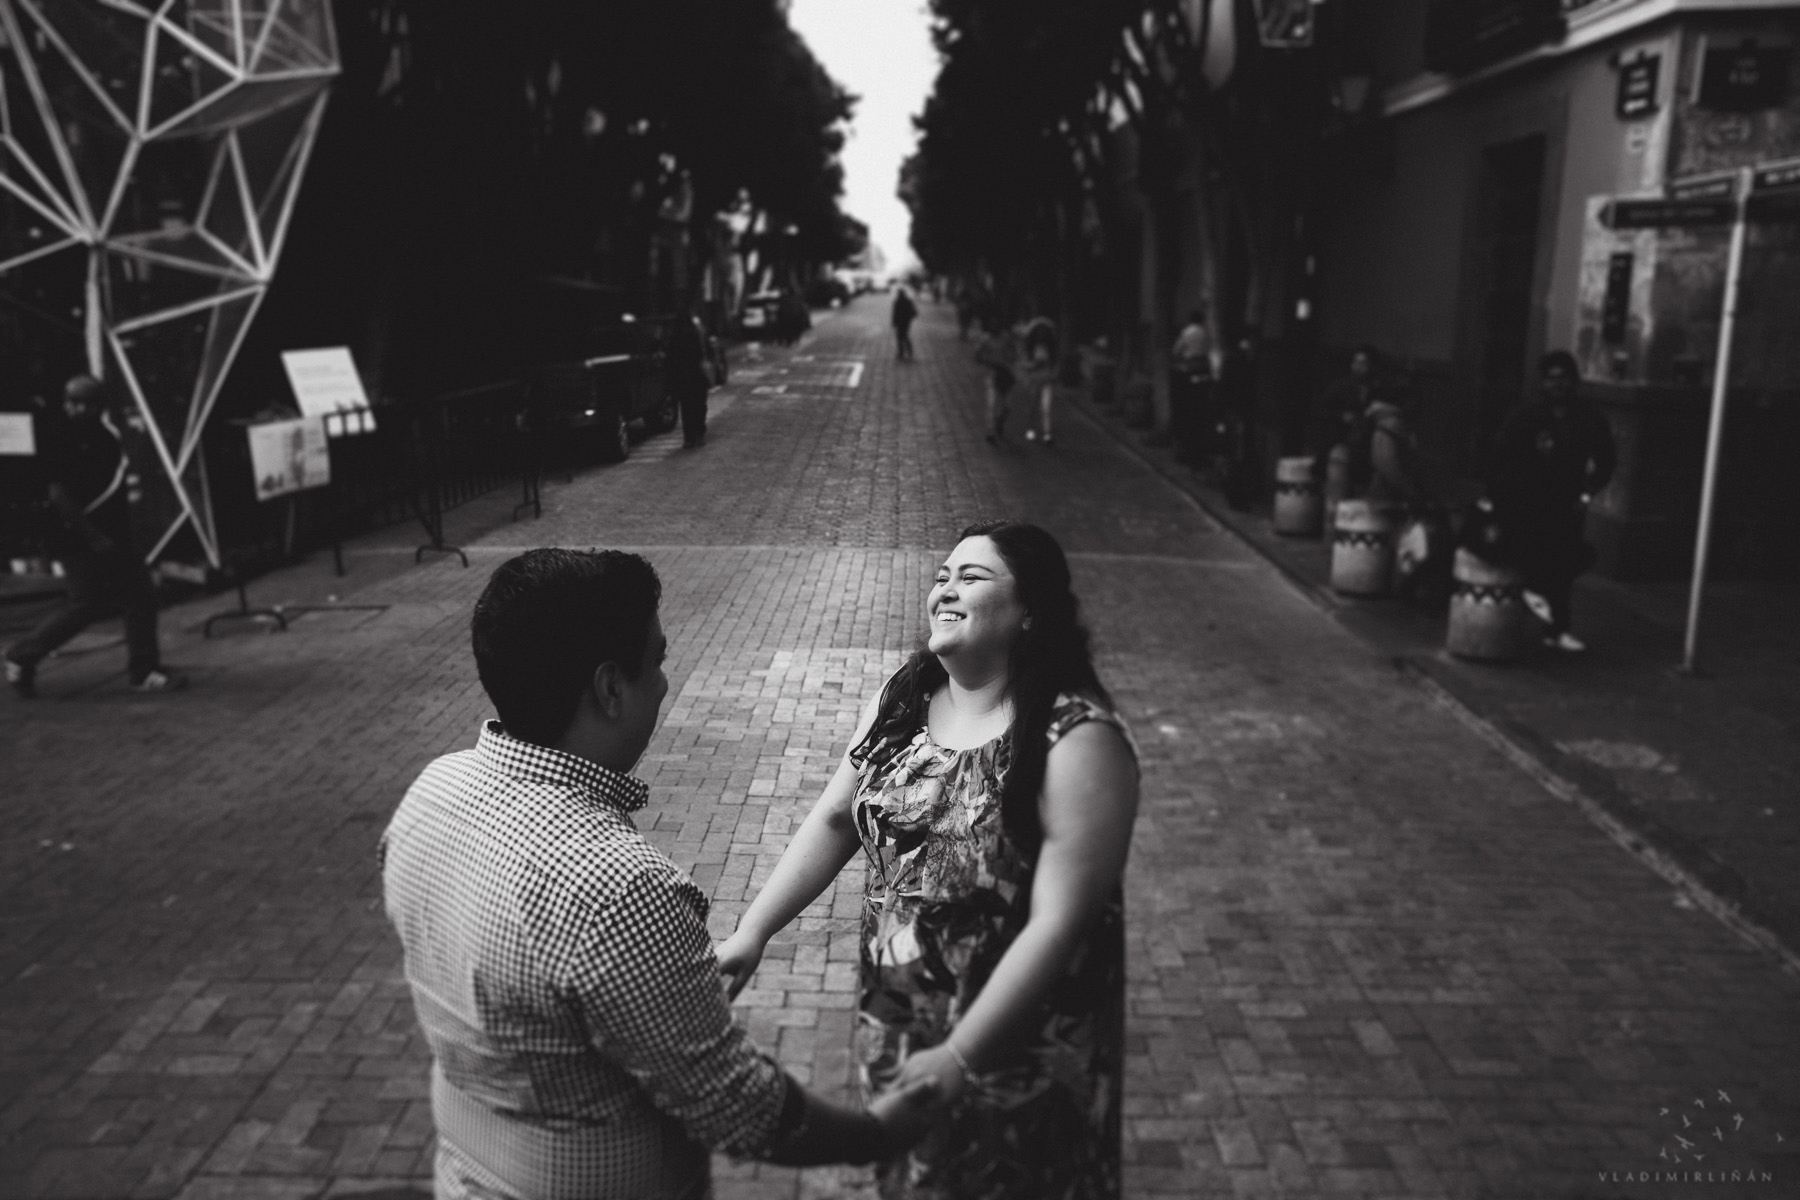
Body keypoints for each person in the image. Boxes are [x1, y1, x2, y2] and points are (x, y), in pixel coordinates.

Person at [380, 549, 941, 1200]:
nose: (667, 683)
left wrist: (659, 998)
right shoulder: (620, 886)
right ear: (610, 688)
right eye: (659, 661)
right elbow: (738, 1106)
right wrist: (876, 1132)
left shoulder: (431, 791)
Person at [717, 520, 1141, 1199]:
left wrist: (962, 1055)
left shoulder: (1075, 738)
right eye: (941, 575)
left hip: (1017, 1058)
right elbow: (834, 819)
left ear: (1031, 612)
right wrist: (753, 932)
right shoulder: (902, 702)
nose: (945, 588)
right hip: (901, 1037)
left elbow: (1059, 926)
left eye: (972, 577)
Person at [6, 375, 184, 698]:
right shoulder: (60, 437)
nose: (73, 408)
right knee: (85, 604)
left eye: (82, 402)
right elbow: (60, 495)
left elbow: (112, 488)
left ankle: (144, 671)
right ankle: (21, 655)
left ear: (100, 406)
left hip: (111, 534)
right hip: (77, 536)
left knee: (139, 595)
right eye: (70, 401)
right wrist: (94, 537)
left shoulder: (105, 436)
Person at [1490, 350, 1617, 652]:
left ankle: (1557, 629)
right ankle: (1512, 621)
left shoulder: (1588, 416)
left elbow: (1606, 459)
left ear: (1573, 381)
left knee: (1563, 563)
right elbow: (1502, 455)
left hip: (1567, 503)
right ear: (1542, 382)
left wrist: (1588, 492)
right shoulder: (1527, 415)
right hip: (1528, 501)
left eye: (1563, 378)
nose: (1557, 385)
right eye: (1551, 378)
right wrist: (1504, 494)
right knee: (1525, 559)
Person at [1170, 312, 1215, 467]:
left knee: (1185, 410)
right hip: (1203, 368)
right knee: (1201, 412)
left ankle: (1185, 451)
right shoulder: (1205, 333)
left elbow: (1176, 350)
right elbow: (1210, 350)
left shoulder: (1186, 332)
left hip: (1188, 369)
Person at [973, 316, 1020, 446]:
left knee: (1008, 406)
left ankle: (999, 423)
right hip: (991, 373)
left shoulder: (1007, 338)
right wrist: (986, 359)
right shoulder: (985, 339)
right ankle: (990, 432)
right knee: (991, 403)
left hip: (1006, 373)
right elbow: (977, 356)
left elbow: (1014, 354)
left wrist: (1010, 360)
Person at [668, 310, 711, 448]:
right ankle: (699, 433)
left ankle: (689, 437)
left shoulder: (674, 338)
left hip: (682, 378)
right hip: (696, 376)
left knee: (686, 408)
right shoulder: (695, 335)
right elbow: (703, 353)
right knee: (699, 406)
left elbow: (670, 359)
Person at [1020, 317, 1059, 444]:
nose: (1042, 334)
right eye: (1039, 331)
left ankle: (1047, 433)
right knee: (1032, 406)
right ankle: (1030, 429)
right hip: (1033, 381)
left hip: (1046, 381)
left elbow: (1054, 365)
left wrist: (1053, 374)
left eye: (1044, 331)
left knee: (1046, 407)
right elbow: (1025, 364)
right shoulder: (1030, 349)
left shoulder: (1051, 349)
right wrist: (1034, 365)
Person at [892, 287, 918, 361]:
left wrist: (894, 322)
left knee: (900, 337)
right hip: (906, 322)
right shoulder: (908, 301)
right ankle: (908, 351)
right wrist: (909, 318)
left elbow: (895, 314)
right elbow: (914, 313)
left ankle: (901, 352)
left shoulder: (897, 302)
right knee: (904, 336)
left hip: (900, 323)